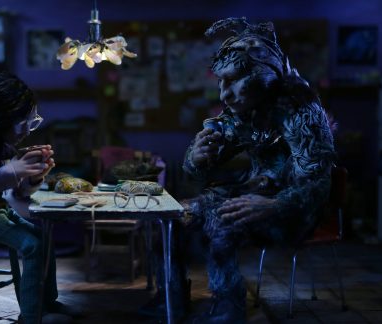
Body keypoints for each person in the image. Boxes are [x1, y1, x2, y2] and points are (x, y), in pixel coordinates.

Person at [140, 17, 336, 323]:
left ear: (263, 74)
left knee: (222, 222)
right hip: (255, 193)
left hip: (295, 211)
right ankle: (171, 298)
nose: (224, 94)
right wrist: (198, 155)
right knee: (169, 218)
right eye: (220, 81)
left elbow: (318, 183)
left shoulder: (302, 112)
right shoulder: (245, 109)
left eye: (232, 81)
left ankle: (228, 309)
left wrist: (273, 204)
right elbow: (197, 170)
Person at [0, 72, 75, 324]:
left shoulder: (5, 150)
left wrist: (34, 176)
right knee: (32, 246)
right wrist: (12, 170)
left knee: (43, 238)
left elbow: (19, 193)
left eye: (30, 121)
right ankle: (31, 316)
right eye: (22, 122)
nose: (26, 130)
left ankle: (48, 301)